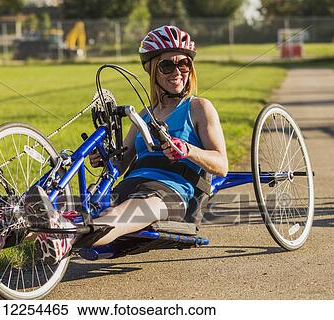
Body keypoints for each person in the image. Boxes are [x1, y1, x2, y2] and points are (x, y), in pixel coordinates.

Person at [25, 25, 228, 264]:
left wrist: (187, 149)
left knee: (118, 214)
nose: (178, 72)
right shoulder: (144, 114)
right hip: (130, 186)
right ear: (152, 70)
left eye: (184, 64)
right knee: (78, 210)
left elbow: (221, 164)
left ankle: (65, 238)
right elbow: (122, 162)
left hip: (170, 194)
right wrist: (105, 158)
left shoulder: (198, 108)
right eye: (167, 65)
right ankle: (3, 230)